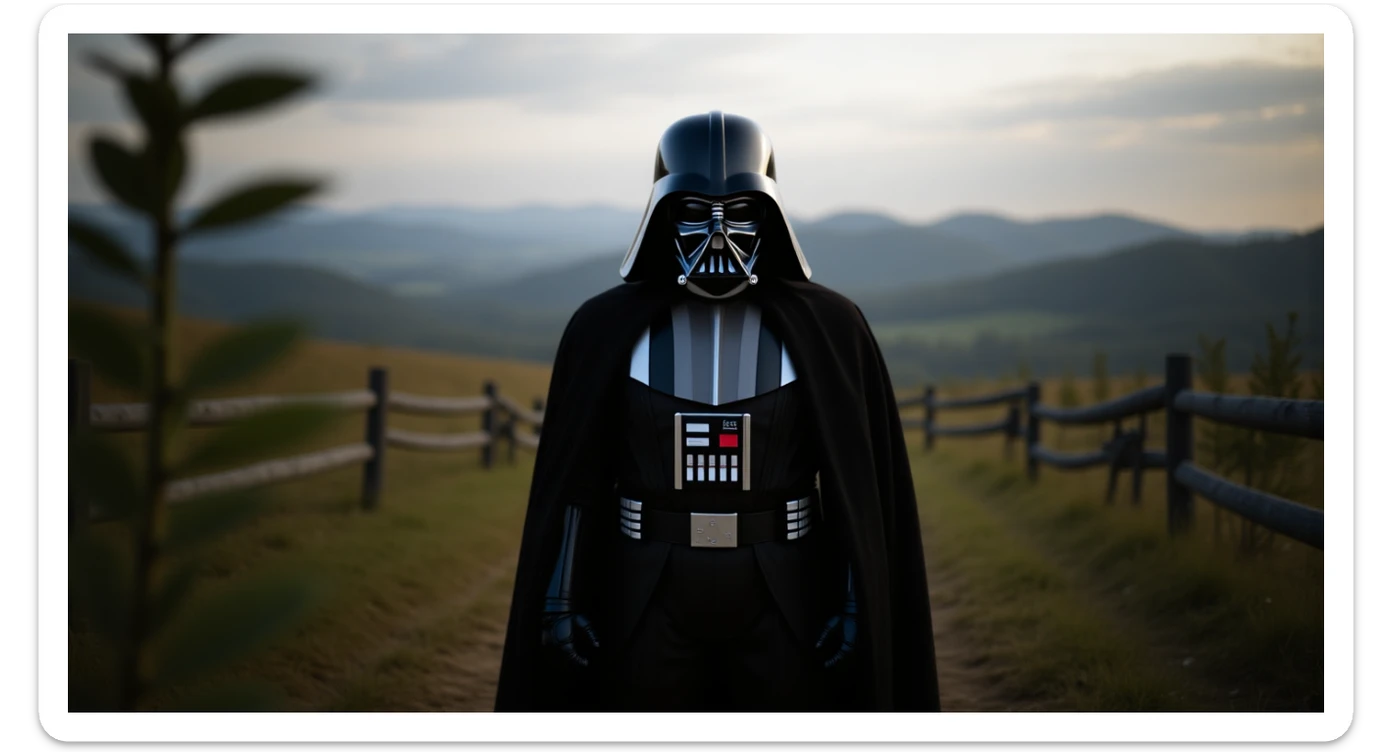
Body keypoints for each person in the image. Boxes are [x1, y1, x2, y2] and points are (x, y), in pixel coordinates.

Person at [495, 111, 940, 712]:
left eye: (742, 213)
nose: (719, 235)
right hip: (644, 586)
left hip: (786, 586)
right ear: (660, 213)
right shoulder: (603, 328)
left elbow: (855, 487)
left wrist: (859, 596)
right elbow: (578, 478)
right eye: (693, 212)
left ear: (773, 214)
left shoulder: (831, 329)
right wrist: (559, 595)